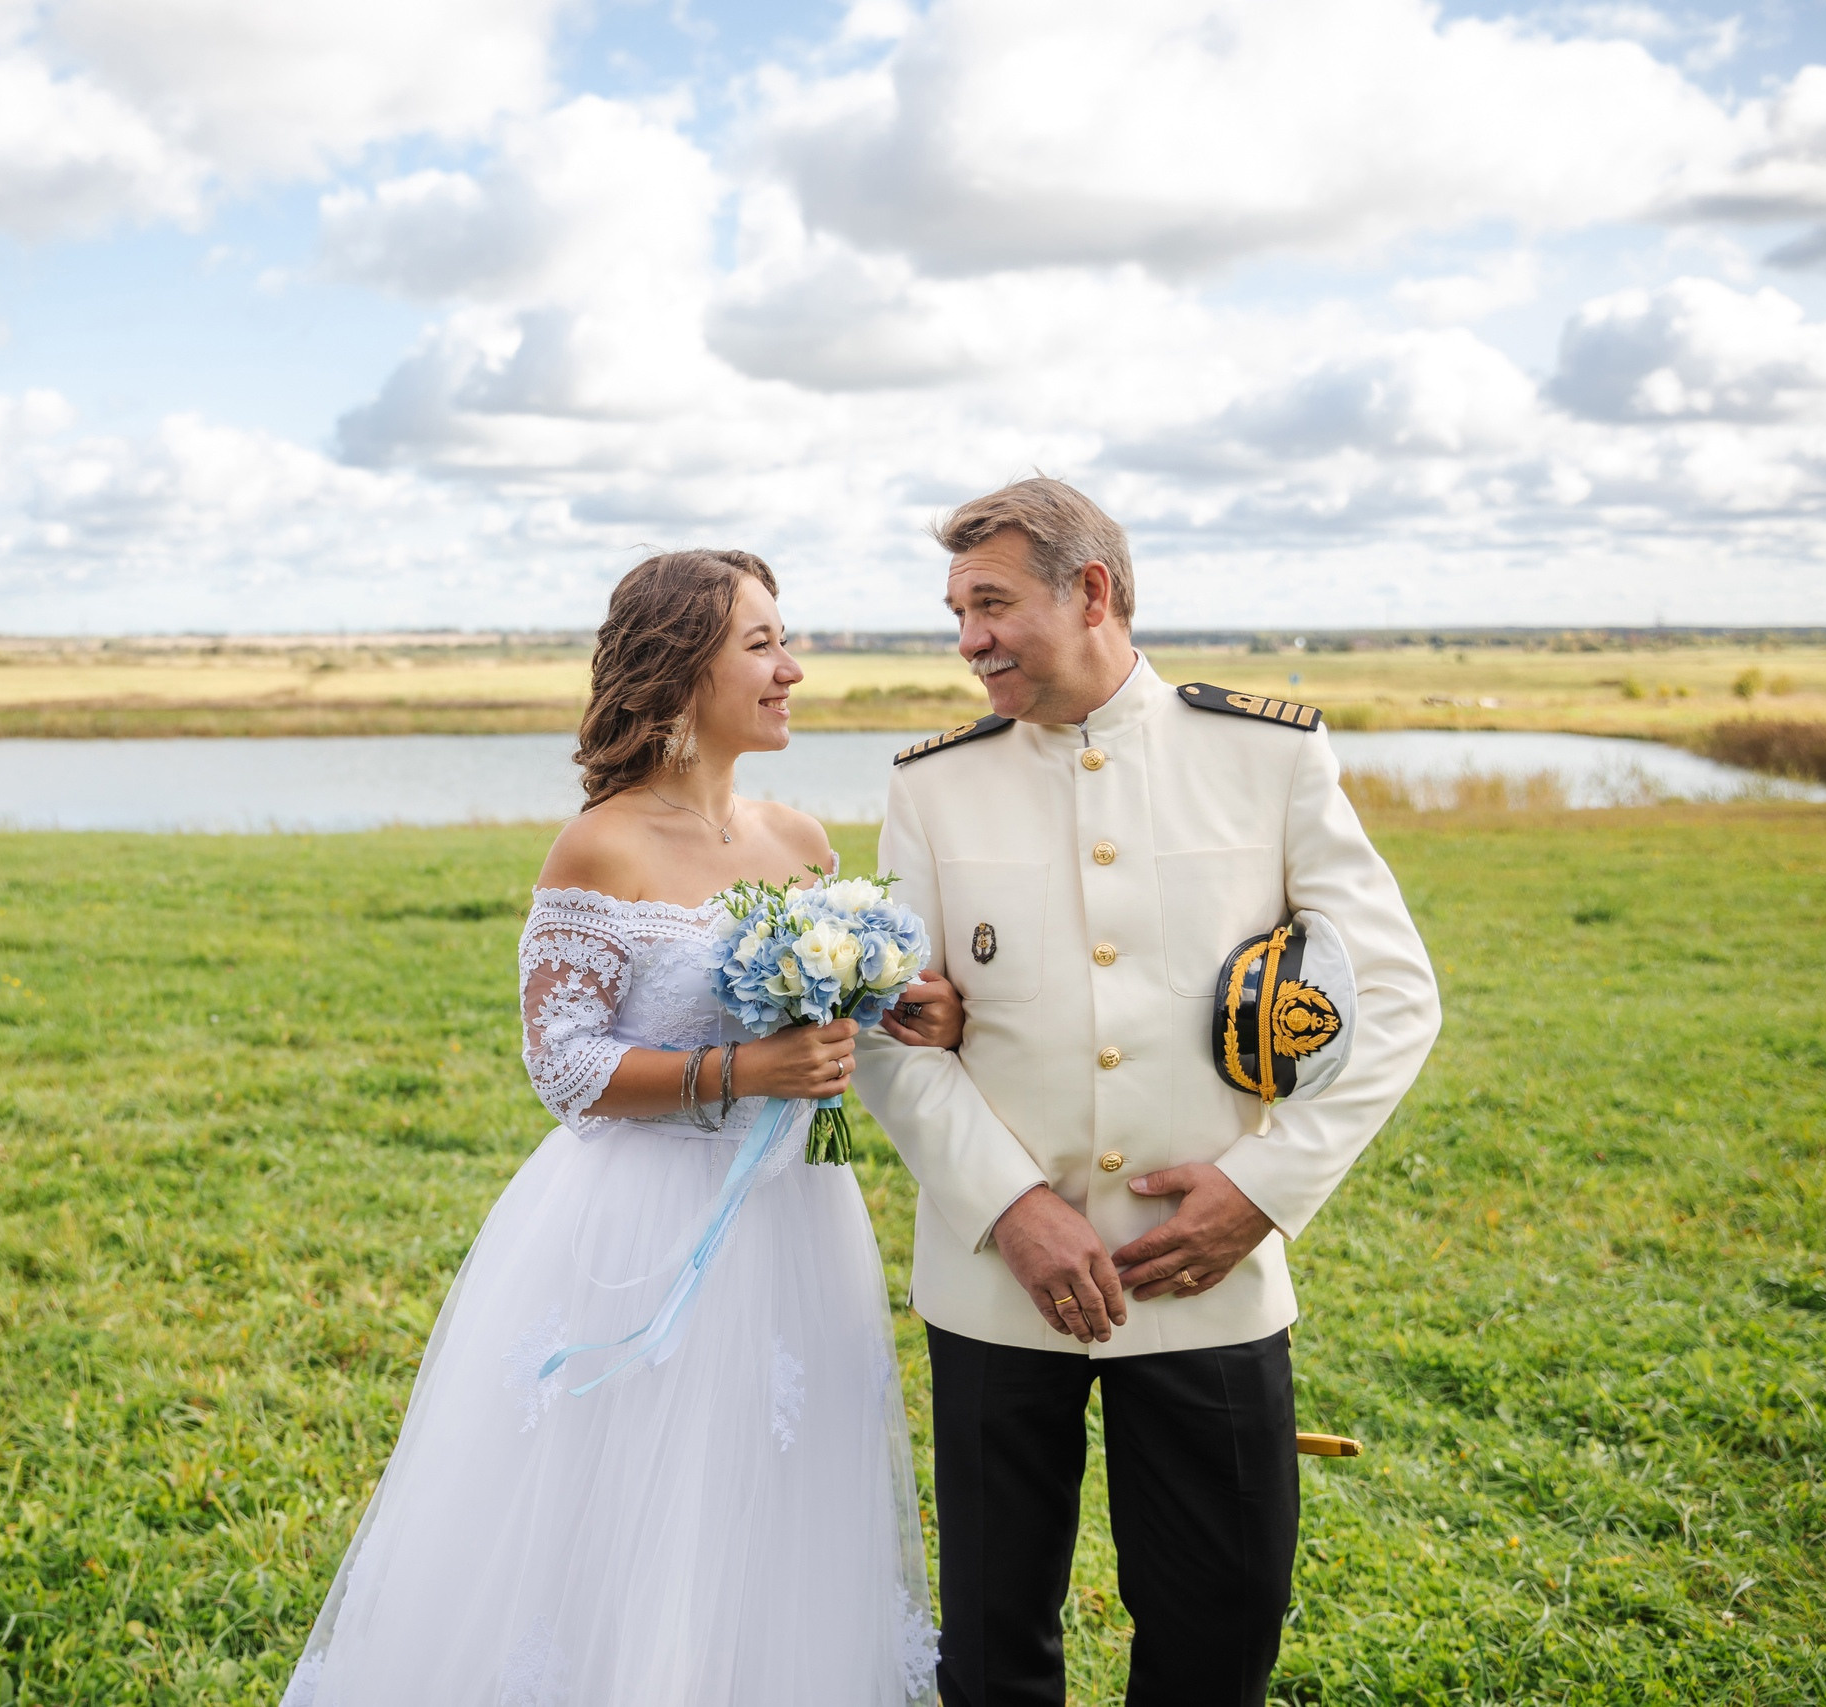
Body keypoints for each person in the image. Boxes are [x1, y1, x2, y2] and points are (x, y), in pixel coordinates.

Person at [280, 549, 953, 1707]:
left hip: (795, 1213)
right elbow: (565, 1064)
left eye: (785, 642)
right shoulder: (601, 847)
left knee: (774, 1492)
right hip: (643, 1220)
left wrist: (894, 1007)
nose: (791, 670)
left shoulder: (802, 841)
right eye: (762, 646)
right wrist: (744, 1070)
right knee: (633, 1504)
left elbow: (825, 1011)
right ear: (682, 669)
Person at [850, 479, 1442, 1707]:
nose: (968, 641)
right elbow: (890, 1034)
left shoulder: (1268, 754)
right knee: (993, 1650)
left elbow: (1393, 997)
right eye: (957, 613)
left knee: (1219, 1630)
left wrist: (1261, 1192)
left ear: (1092, 592)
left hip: (1207, 1281)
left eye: (990, 605)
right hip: (996, 1286)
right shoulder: (931, 786)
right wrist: (1010, 1207)